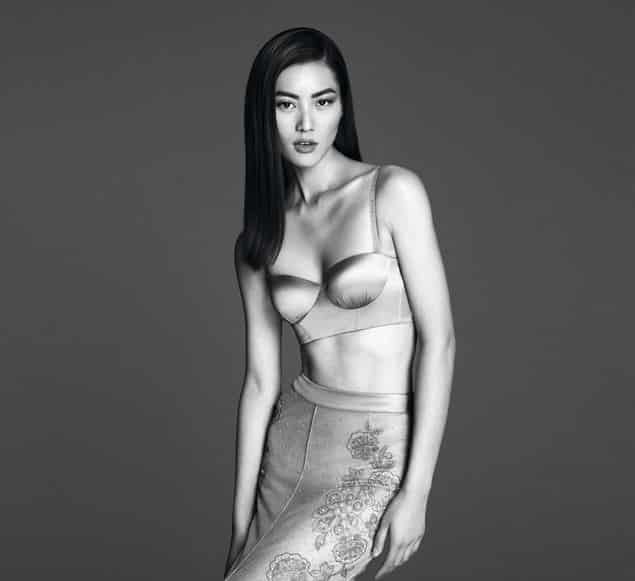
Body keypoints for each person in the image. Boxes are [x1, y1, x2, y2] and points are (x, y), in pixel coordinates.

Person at [224, 27, 455, 581]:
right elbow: (259, 383)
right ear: (263, 115)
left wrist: (417, 491)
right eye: (287, 105)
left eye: (322, 102)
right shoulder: (258, 240)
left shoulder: (392, 193)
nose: (306, 124)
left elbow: (439, 341)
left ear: (342, 107)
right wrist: (238, 528)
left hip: (374, 451)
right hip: (290, 445)